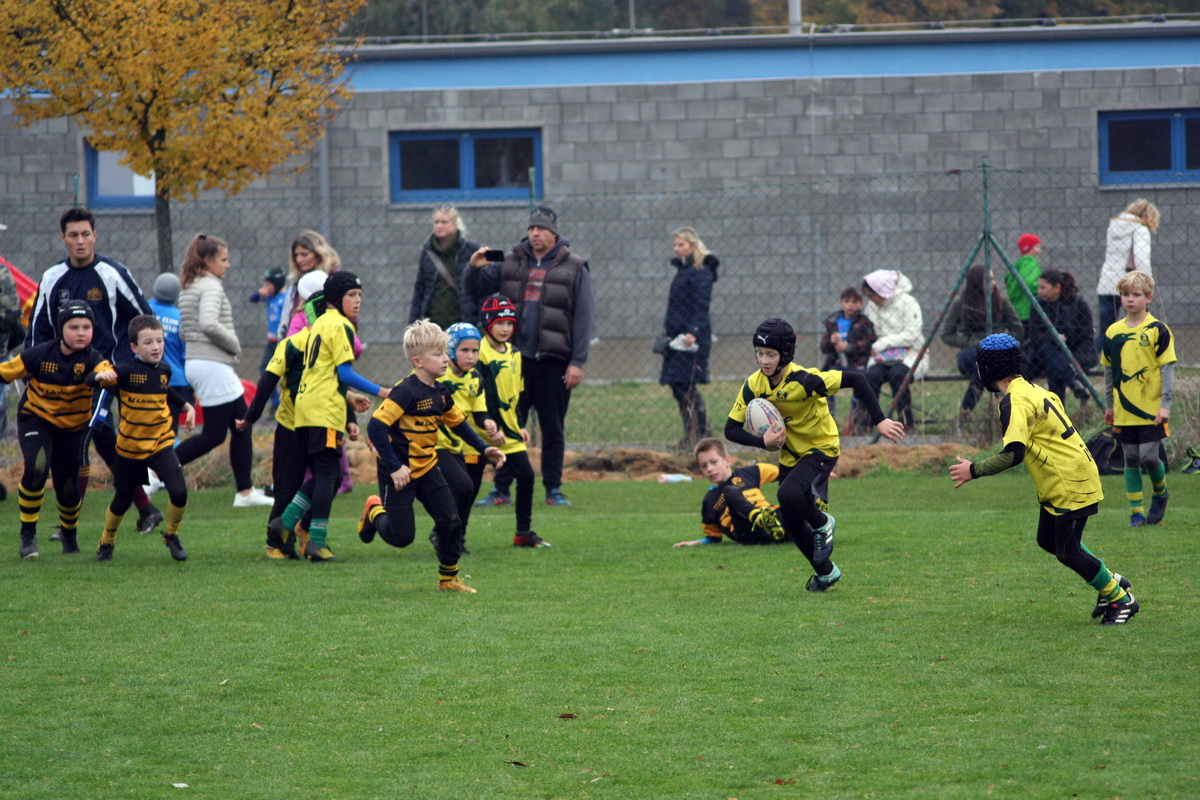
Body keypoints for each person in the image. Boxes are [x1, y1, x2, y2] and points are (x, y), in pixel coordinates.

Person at [949, 333, 1139, 626]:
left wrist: (974, 470)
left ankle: (1120, 599)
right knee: (1048, 540)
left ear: (986, 369)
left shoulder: (1014, 401)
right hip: (1065, 478)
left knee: (1067, 551)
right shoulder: (1035, 391)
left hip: (1069, 483)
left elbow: (1013, 454)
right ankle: (1109, 581)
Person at [724, 319, 905, 591]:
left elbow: (857, 379)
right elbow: (730, 429)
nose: (764, 360)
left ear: (785, 353)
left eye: (770, 354)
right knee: (790, 519)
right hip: (791, 455)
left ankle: (823, 523)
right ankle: (826, 572)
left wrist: (879, 420)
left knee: (787, 494)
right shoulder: (753, 385)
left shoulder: (804, 380)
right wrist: (763, 442)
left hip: (822, 447)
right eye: (759, 353)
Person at [26, 208, 162, 536]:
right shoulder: (52, 277)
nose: (80, 241)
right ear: (63, 239)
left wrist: (131, 366)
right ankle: (147, 509)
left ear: (95, 236)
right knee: (106, 443)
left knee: (82, 440)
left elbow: (144, 319)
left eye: (85, 234)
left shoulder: (112, 274)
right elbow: (38, 329)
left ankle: (67, 525)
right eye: (73, 235)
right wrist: (33, 371)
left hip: (104, 376)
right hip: (63, 380)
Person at [359, 320, 506, 593]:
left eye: (445, 353)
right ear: (417, 361)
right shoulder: (405, 391)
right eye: (438, 354)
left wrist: (484, 448)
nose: (445, 359)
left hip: (427, 468)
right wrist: (394, 467)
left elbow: (458, 423)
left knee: (450, 521)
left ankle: (448, 580)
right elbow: (376, 427)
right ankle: (374, 510)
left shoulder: (440, 391)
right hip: (400, 473)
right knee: (401, 537)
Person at [466, 205, 594, 507]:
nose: (535, 233)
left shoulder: (575, 266)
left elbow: (584, 317)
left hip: (554, 361)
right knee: (507, 423)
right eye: (531, 228)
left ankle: (553, 489)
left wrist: (577, 361)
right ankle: (501, 489)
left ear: (554, 233)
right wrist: (473, 268)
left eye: (541, 229)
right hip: (514, 361)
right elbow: (473, 290)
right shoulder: (510, 262)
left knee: (553, 429)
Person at [238, 292, 373, 560]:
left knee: (330, 478)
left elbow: (333, 383)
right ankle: (277, 541)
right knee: (295, 483)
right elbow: (268, 382)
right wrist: (250, 417)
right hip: (294, 424)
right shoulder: (296, 343)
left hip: (313, 420)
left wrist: (349, 418)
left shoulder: (322, 341)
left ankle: (302, 530)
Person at [279, 271, 389, 561]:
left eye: (360, 295)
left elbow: (325, 371)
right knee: (328, 474)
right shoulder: (341, 325)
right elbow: (344, 373)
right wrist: (382, 391)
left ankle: (285, 523)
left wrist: (349, 406)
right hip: (323, 408)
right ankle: (315, 541)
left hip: (305, 406)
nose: (358, 300)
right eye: (351, 295)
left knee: (329, 473)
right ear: (336, 298)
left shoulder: (320, 322)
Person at [0, 301, 112, 559]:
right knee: (37, 466)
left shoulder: (94, 359)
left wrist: (105, 376)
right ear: (61, 329)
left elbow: (104, 371)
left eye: (86, 327)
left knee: (68, 487)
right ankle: (28, 535)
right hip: (36, 420)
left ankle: (69, 535)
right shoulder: (40, 354)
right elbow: (6, 371)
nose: (81, 332)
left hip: (72, 429)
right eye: (74, 327)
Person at [87, 316, 197, 562]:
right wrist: (100, 377)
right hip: (130, 448)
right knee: (122, 500)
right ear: (134, 347)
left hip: (160, 444)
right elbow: (89, 380)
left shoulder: (164, 370)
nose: (156, 347)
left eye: (159, 341)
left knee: (179, 492)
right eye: (148, 342)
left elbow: (165, 390)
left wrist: (187, 406)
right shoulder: (125, 371)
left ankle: (171, 534)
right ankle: (107, 541)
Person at [175, 233, 271, 508]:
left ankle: (245, 493)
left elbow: (184, 331)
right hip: (213, 365)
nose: (227, 265)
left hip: (200, 363)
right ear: (207, 260)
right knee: (215, 434)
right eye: (223, 260)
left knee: (241, 424)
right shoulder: (210, 286)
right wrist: (234, 345)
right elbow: (208, 323)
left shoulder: (190, 285)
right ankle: (157, 471)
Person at [1101, 270, 1176, 527]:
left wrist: (1165, 405)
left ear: (1149, 298)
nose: (1130, 299)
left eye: (1136, 294)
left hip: (1151, 408)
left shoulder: (1158, 330)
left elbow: (1167, 369)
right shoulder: (1113, 332)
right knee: (1131, 458)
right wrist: (1109, 405)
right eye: (1125, 295)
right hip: (1124, 409)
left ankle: (1160, 493)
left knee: (1149, 457)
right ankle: (1136, 513)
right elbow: (1109, 371)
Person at [476, 295, 544, 547]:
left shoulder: (515, 354)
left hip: (509, 431)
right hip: (481, 431)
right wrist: (491, 425)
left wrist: (520, 424)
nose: (505, 329)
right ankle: (450, 535)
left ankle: (523, 533)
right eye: (499, 323)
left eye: (509, 323)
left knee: (526, 476)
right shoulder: (479, 353)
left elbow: (516, 395)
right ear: (488, 324)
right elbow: (482, 396)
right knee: (467, 487)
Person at [433, 322, 501, 554]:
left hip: (462, 445)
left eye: (475, 350)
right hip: (436, 444)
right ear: (450, 349)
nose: (471, 356)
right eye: (465, 350)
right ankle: (446, 535)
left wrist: (488, 422)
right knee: (462, 487)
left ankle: (454, 537)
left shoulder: (475, 378)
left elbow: (479, 413)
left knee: (466, 491)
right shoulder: (437, 375)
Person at [658, 226, 718, 450]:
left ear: (692, 246)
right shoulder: (684, 270)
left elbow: (701, 306)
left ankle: (702, 433)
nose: (676, 248)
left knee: (686, 385)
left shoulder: (701, 272)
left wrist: (693, 331)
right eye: (675, 244)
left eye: (681, 244)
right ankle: (691, 433)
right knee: (678, 385)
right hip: (677, 339)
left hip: (691, 340)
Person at [672, 438, 788, 547]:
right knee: (729, 490)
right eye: (704, 466)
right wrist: (695, 543)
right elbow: (713, 538)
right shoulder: (709, 500)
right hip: (748, 532)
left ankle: (773, 524)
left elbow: (785, 474)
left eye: (713, 462)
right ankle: (759, 519)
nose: (709, 469)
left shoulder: (749, 473)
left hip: (776, 522)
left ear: (728, 461)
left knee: (791, 508)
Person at [941, 264, 1023, 420]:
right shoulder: (962, 303)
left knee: (987, 367)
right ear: (976, 282)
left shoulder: (1001, 301)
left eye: (993, 279)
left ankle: (968, 413)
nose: (993, 283)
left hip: (997, 354)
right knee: (984, 365)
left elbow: (1017, 329)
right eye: (987, 280)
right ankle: (1000, 410)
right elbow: (947, 334)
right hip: (970, 353)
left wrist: (1000, 343)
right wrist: (971, 343)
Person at [861, 269, 926, 430]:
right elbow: (869, 332)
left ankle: (906, 422)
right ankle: (868, 422)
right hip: (880, 356)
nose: (870, 299)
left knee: (898, 375)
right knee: (872, 376)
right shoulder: (872, 306)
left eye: (871, 295)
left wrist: (883, 343)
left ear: (881, 291)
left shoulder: (908, 302)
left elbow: (912, 334)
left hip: (910, 353)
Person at [1022, 269, 1096, 408]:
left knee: (1055, 367)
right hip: (1043, 354)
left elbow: (1086, 338)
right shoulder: (1038, 304)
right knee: (1048, 351)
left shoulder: (1078, 303)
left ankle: (1058, 412)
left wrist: (1075, 361)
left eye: (1043, 287)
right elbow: (1035, 335)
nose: (1039, 291)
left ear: (1057, 287)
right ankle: (1073, 383)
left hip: (1074, 354)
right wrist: (1054, 338)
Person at [1095, 199, 1159, 350]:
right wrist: (1147, 284)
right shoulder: (1140, 229)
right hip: (1131, 285)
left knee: (1106, 331)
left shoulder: (1113, 227)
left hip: (1107, 282)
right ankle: (1141, 354)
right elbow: (1141, 258)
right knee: (1140, 327)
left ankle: (1091, 358)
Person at [410, 206, 482, 329]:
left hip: (463, 320)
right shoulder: (428, 251)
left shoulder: (470, 249)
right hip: (433, 323)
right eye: (436, 222)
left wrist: (481, 321)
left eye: (444, 222)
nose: (439, 226)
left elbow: (481, 288)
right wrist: (413, 322)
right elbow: (420, 289)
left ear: (455, 224)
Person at [818, 286, 876, 424]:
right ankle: (828, 418)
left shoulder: (864, 322)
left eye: (854, 302)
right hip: (836, 364)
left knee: (860, 384)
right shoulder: (833, 322)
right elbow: (824, 348)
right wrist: (831, 341)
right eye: (847, 301)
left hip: (857, 365)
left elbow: (868, 344)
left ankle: (855, 420)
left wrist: (848, 347)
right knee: (825, 382)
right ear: (841, 303)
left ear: (861, 304)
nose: (850, 305)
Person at [277, 230, 340, 341]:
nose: (299, 259)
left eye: (304, 254)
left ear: (319, 254)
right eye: (296, 255)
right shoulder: (297, 280)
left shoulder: (334, 278)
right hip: (299, 338)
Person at [249, 267, 287, 408]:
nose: (265, 288)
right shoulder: (270, 296)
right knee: (265, 370)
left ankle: (287, 402)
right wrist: (261, 292)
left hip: (283, 341)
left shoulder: (286, 298)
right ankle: (276, 403)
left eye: (268, 285)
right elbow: (252, 299)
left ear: (277, 284)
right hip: (272, 342)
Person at [1005, 233, 1042, 323]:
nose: (1039, 250)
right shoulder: (1030, 262)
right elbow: (1029, 283)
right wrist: (1042, 290)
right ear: (1029, 248)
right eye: (1037, 247)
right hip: (1029, 310)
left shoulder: (1019, 264)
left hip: (1019, 310)